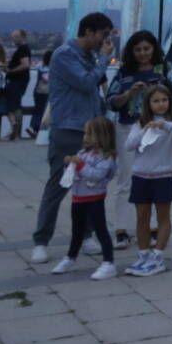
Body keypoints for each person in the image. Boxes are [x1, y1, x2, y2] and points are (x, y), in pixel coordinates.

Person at [31, 14, 113, 264]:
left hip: (89, 130)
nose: (105, 41)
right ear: (89, 32)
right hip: (68, 128)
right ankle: (41, 241)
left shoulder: (89, 56)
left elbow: (95, 91)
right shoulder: (64, 54)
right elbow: (86, 83)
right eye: (103, 35)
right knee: (58, 184)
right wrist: (104, 60)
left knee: (90, 185)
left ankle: (86, 235)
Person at [125, 85, 172, 276]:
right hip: (140, 176)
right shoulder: (140, 123)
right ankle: (143, 254)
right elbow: (128, 145)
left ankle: (158, 255)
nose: (160, 105)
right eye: (156, 101)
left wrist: (166, 125)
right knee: (142, 216)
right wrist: (145, 130)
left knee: (163, 216)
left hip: (163, 176)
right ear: (148, 104)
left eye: (164, 100)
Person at [106, 31, 168, 250]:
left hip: (155, 129)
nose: (143, 53)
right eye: (138, 49)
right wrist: (129, 95)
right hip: (127, 127)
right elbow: (111, 101)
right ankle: (121, 229)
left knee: (152, 176)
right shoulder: (124, 73)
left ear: (153, 49)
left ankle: (151, 227)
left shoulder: (162, 71)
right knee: (126, 177)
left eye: (147, 49)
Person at [51, 116, 121, 280]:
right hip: (78, 197)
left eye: (90, 134)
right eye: (85, 134)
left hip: (94, 198)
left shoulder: (106, 157)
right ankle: (70, 257)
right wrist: (69, 165)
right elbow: (72, 174)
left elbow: (96, 175)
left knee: (100, 229)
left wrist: (80, 165)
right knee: (77, 230)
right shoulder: (83, 153)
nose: (85, 137)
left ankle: (109, 262)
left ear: (102, 136)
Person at [0, 29, 33, 141]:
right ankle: (14, 129)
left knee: (14, 106)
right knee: (13, 104)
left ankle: (15, 131)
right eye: (12, 36)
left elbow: (25, 65)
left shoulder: (23, 49)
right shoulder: (22, 49)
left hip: (16, 81)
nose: (13, 39)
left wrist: (10, 71)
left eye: (16, 36)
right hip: (19, 81)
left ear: (23, 37)